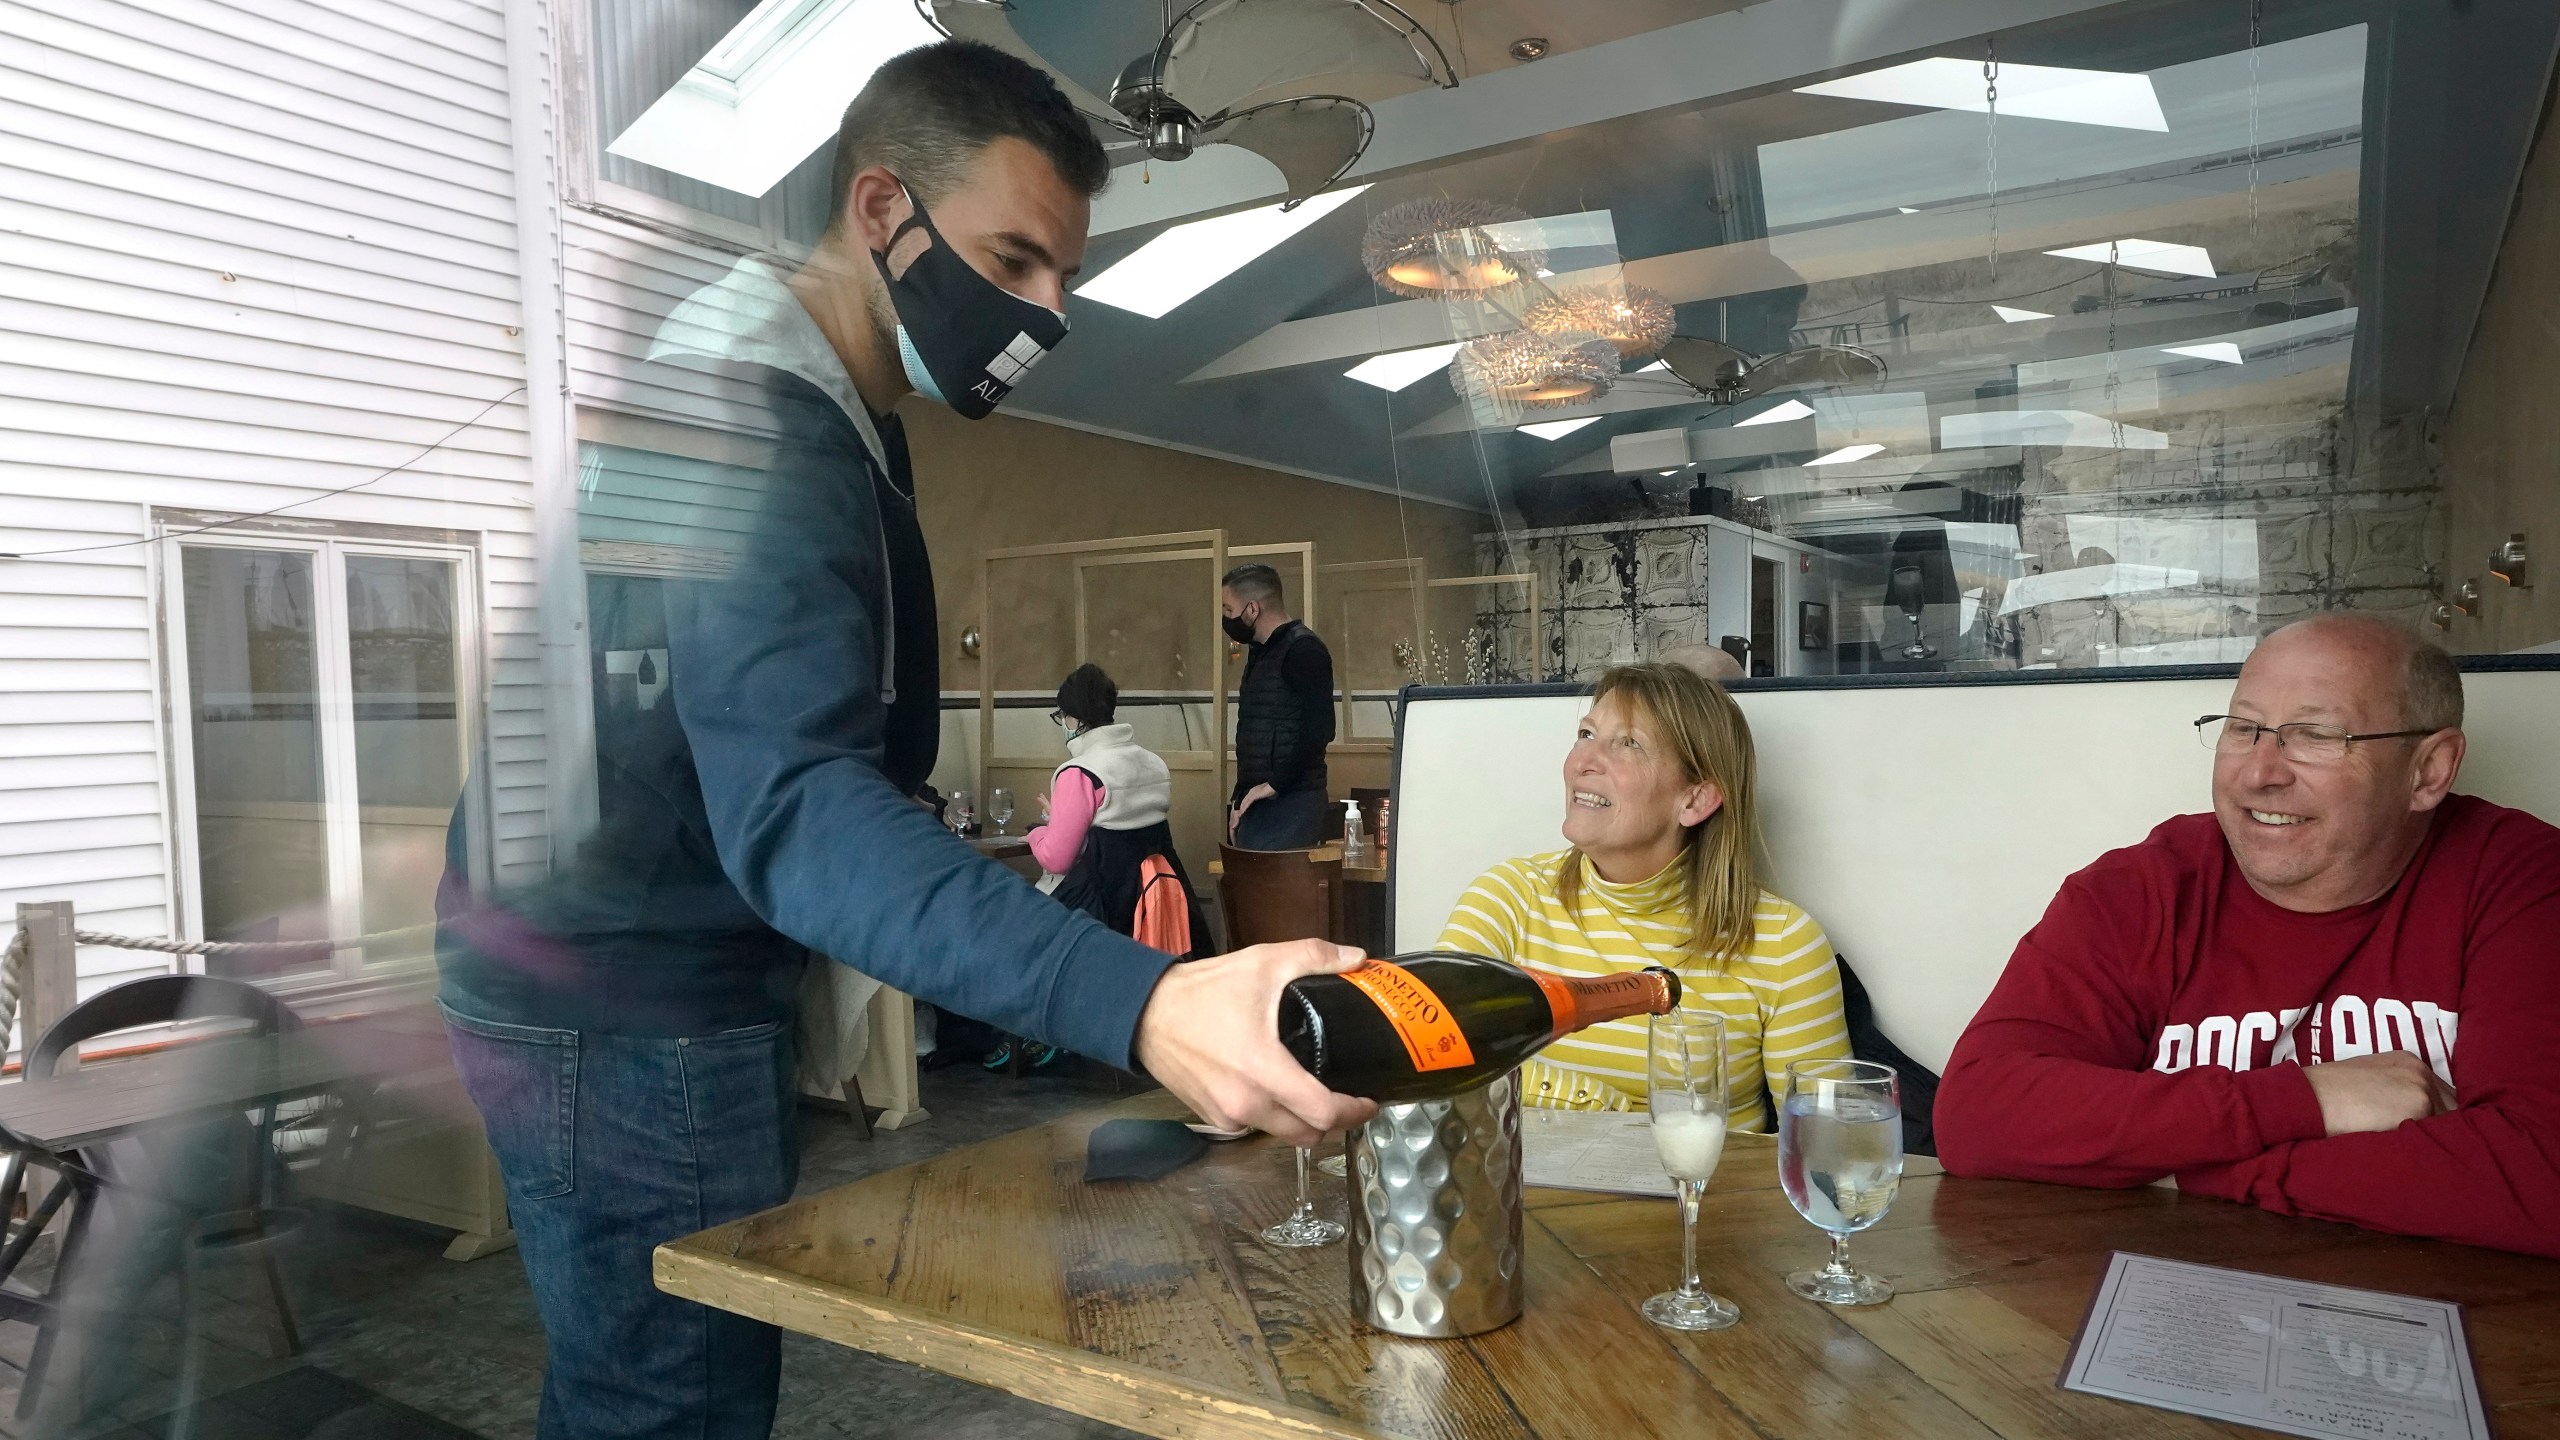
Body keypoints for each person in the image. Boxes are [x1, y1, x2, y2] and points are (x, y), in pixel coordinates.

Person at [434, 42, 1373, 1440]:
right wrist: (1144, 1001)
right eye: (1012, 259)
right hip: (627, 998)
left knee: (623, 1377)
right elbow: (798, 807)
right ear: (882, 209)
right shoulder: (766, 421)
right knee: (669, 1402)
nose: (1047, 311)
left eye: (1063, 276)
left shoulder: (795, 390)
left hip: (576, 959)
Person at [1935, 615, 2560, 1258]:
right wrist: (2308, 1101)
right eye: (2242, 729)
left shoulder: (2521, 882)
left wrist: (2187, 1169)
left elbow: (2542, 1177)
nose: (2259, 773)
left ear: (2428, 770)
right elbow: (1977, 1117)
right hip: (2180, 1319)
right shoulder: (2140, 889)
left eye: (2315, 735)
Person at [1437, 662, 1852, 1125]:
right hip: (1520, 1195)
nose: (1584, 761)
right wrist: (1607, 1111)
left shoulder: (1785, 943)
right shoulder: (1510, 897)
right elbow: (1436, 1056)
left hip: (1706, 1196)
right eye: (1586, 734)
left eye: (1628, 743)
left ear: (1694, 800)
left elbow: (1826, 1145)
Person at [990, 664, 1211, 1069]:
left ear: (1072, 718)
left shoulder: (1080, 773)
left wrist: (1038, 832)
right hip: (1151, 899)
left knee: (1010, 923)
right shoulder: (1153, 764)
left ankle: (1038, 1031)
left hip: (1097, 904)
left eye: (1062, 717)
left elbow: (1057, 857)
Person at [1222, 562, 1337, 849]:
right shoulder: (1260, 652)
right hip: (1258, 800)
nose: (1224, 618)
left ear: (1252, 609)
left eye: (1227, 609)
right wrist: (1240, 800)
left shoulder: (1303, 650)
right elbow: (1256, 731)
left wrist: (1274, 784)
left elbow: (1320, 728)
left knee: (1279, 892)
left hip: (1292, 801)